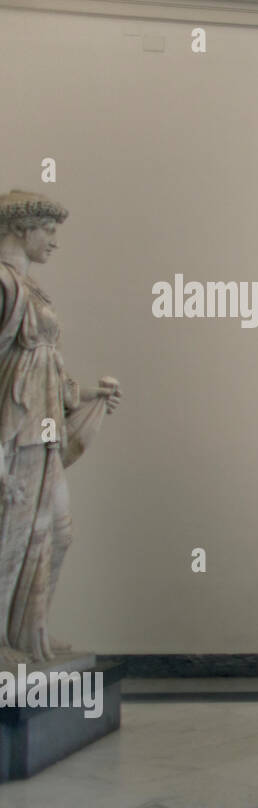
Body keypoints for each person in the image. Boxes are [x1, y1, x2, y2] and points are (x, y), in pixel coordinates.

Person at [0, 190, 122, 665]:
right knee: (12, 535)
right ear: (20, 228)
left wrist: (83, 396)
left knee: (57, 532)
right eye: (47, 231)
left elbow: (42, 363)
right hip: (17, 432)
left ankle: (31, 634)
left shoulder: (28, 287)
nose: (53, 241)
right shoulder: (6, 286)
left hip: (43, 426)